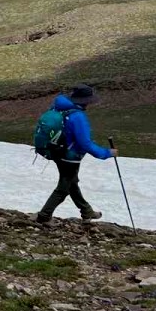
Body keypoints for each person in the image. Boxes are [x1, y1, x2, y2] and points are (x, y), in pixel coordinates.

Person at [36, 84, 117, 224]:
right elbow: (85, 143)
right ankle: (44, 216)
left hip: (57, 152)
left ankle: (87, 211)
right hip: (70, 157)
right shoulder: (78, 116)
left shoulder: (59, 108)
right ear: (86, 100)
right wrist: (107, 153)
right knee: (64, 188)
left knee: (72, 183)